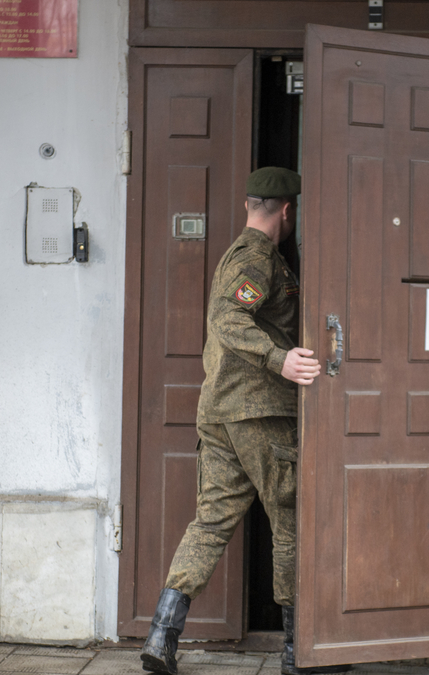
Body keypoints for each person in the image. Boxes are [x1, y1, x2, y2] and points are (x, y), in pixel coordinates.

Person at [141, 168, 348, 675]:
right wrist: (279, 359)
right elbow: (227, 319)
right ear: (287, 211)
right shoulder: (258, 258)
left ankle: (162, 635)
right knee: (290, 524)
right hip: (258, 414)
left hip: (218, 412)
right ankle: (299, 651)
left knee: (211, 520)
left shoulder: (237, 253)